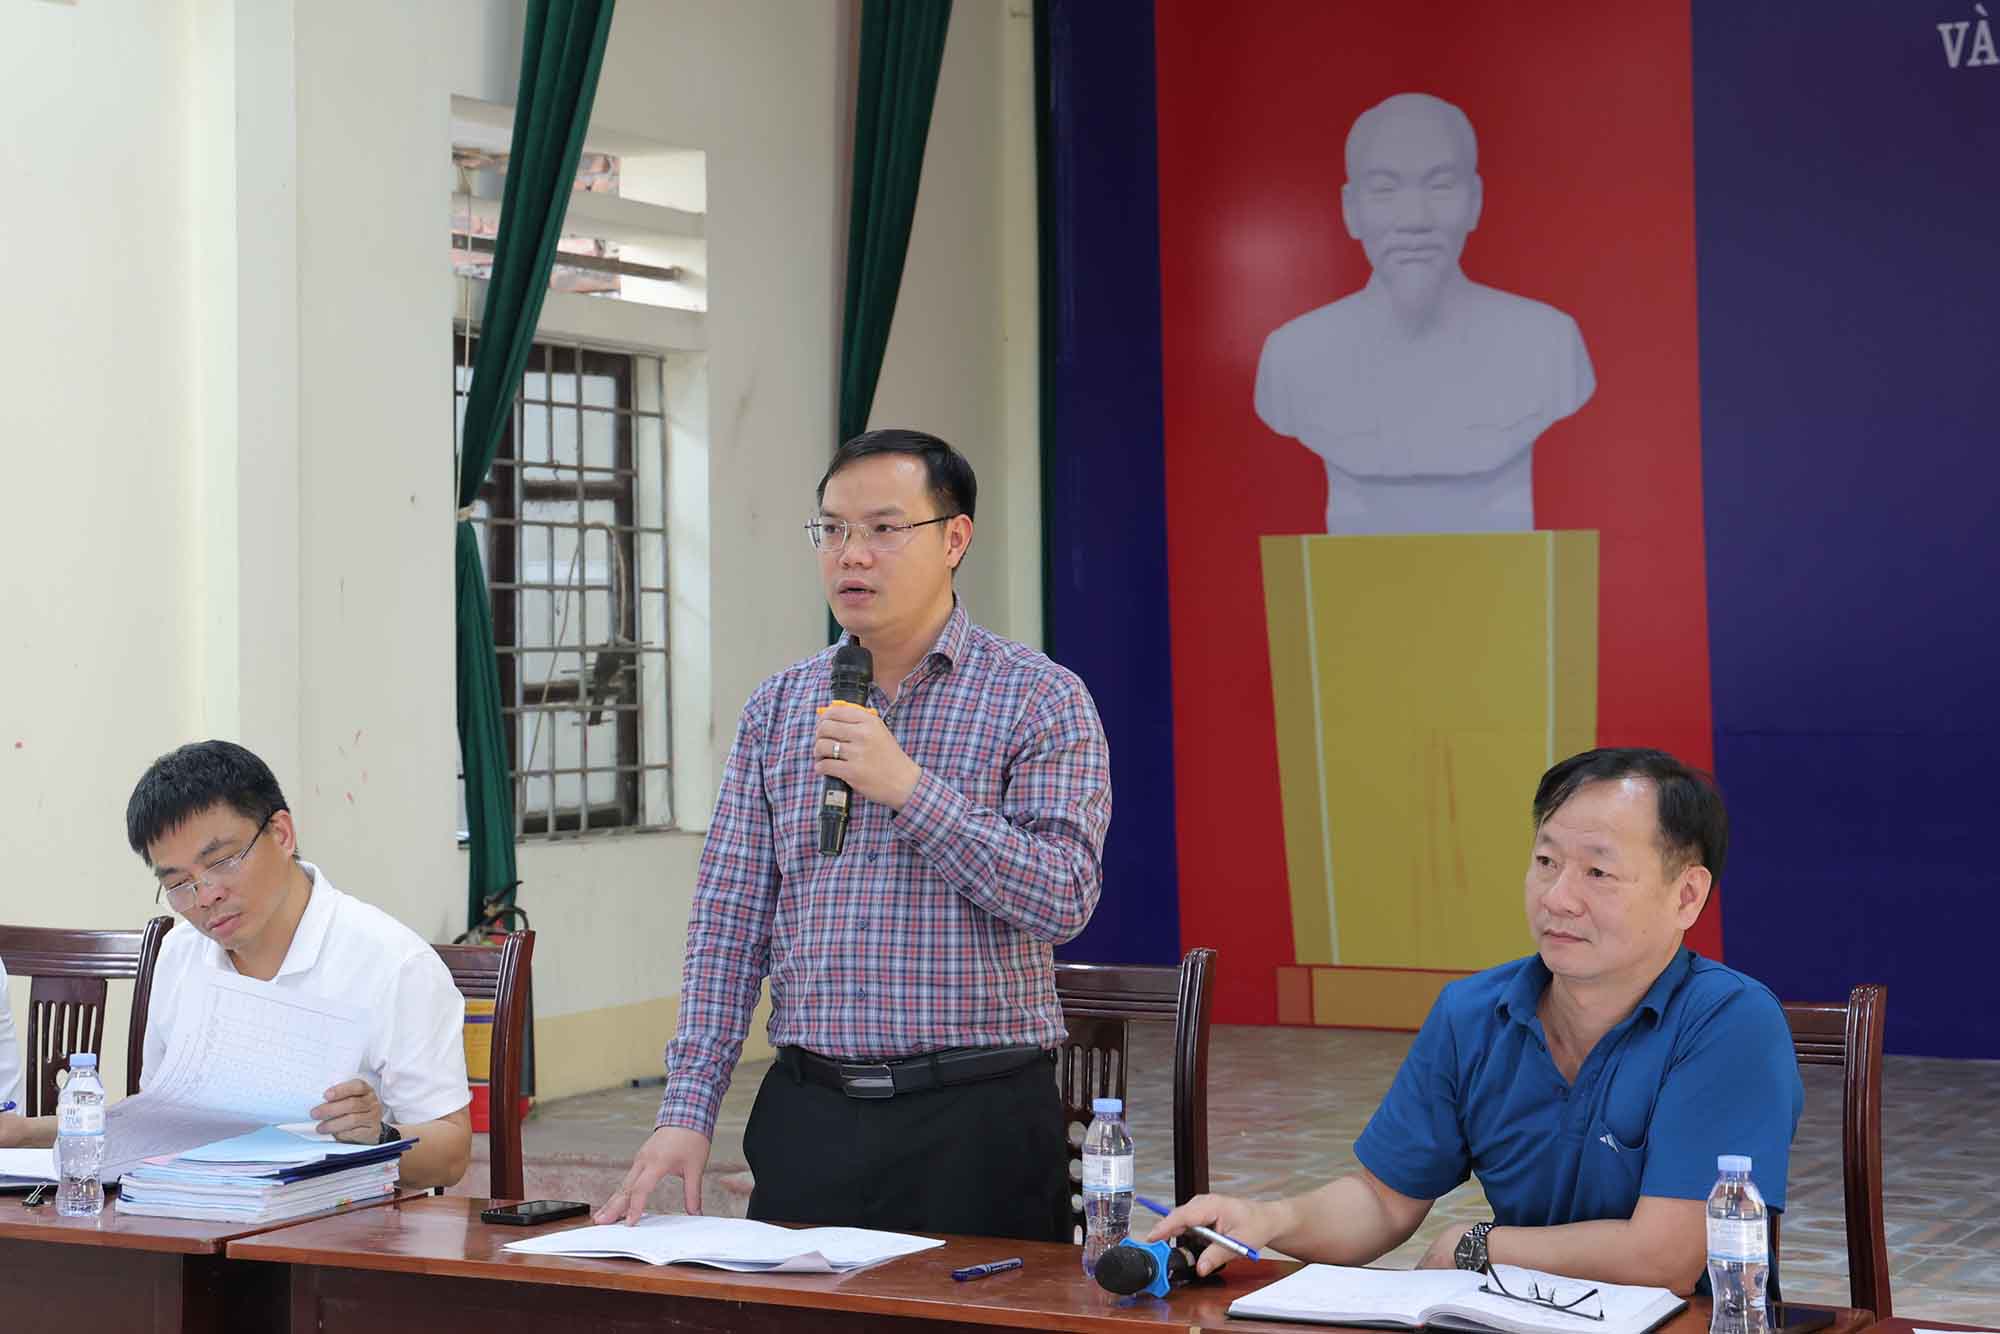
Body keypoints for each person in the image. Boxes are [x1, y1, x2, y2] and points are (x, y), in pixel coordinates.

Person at [598, 428, 1112, 1241]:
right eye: (832, 529)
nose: (852, 555)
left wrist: (908, 788)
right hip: (813, 1118)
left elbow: (1062, 897)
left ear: (954, 539)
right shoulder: (778, 708)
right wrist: (687, 1110)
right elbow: (727, 923)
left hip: (977, 1121)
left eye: (883, 528)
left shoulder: (1040, 699)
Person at [1149, 748, 1801, 1295]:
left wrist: (1479, 1244)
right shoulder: (1473, 1014)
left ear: (1687, 895)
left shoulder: (1731, 1023)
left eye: (1598, 871)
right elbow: (1382, 1202)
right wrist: (1270, 1218)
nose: (1557, 898)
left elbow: (1665, 1258)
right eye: (1546, 863)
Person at [0, 741, 473, 1188]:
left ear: (282, 834)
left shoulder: (394, 962)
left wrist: (379, 1135)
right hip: (198, 1211)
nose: (206, 896)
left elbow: (451, 1153)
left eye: (222, 862)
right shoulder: (180, 954)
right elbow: (160, 1126)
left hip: (342, 1223)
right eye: (179, 883)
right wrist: (25, 1133)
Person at [1254, 92, 1595, 536]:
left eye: (1440, 185)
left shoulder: (1548, 343)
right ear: (1350, 210)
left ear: (1475, 201)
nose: (1414, 219)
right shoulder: (1292, 355)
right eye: (1385, 189)